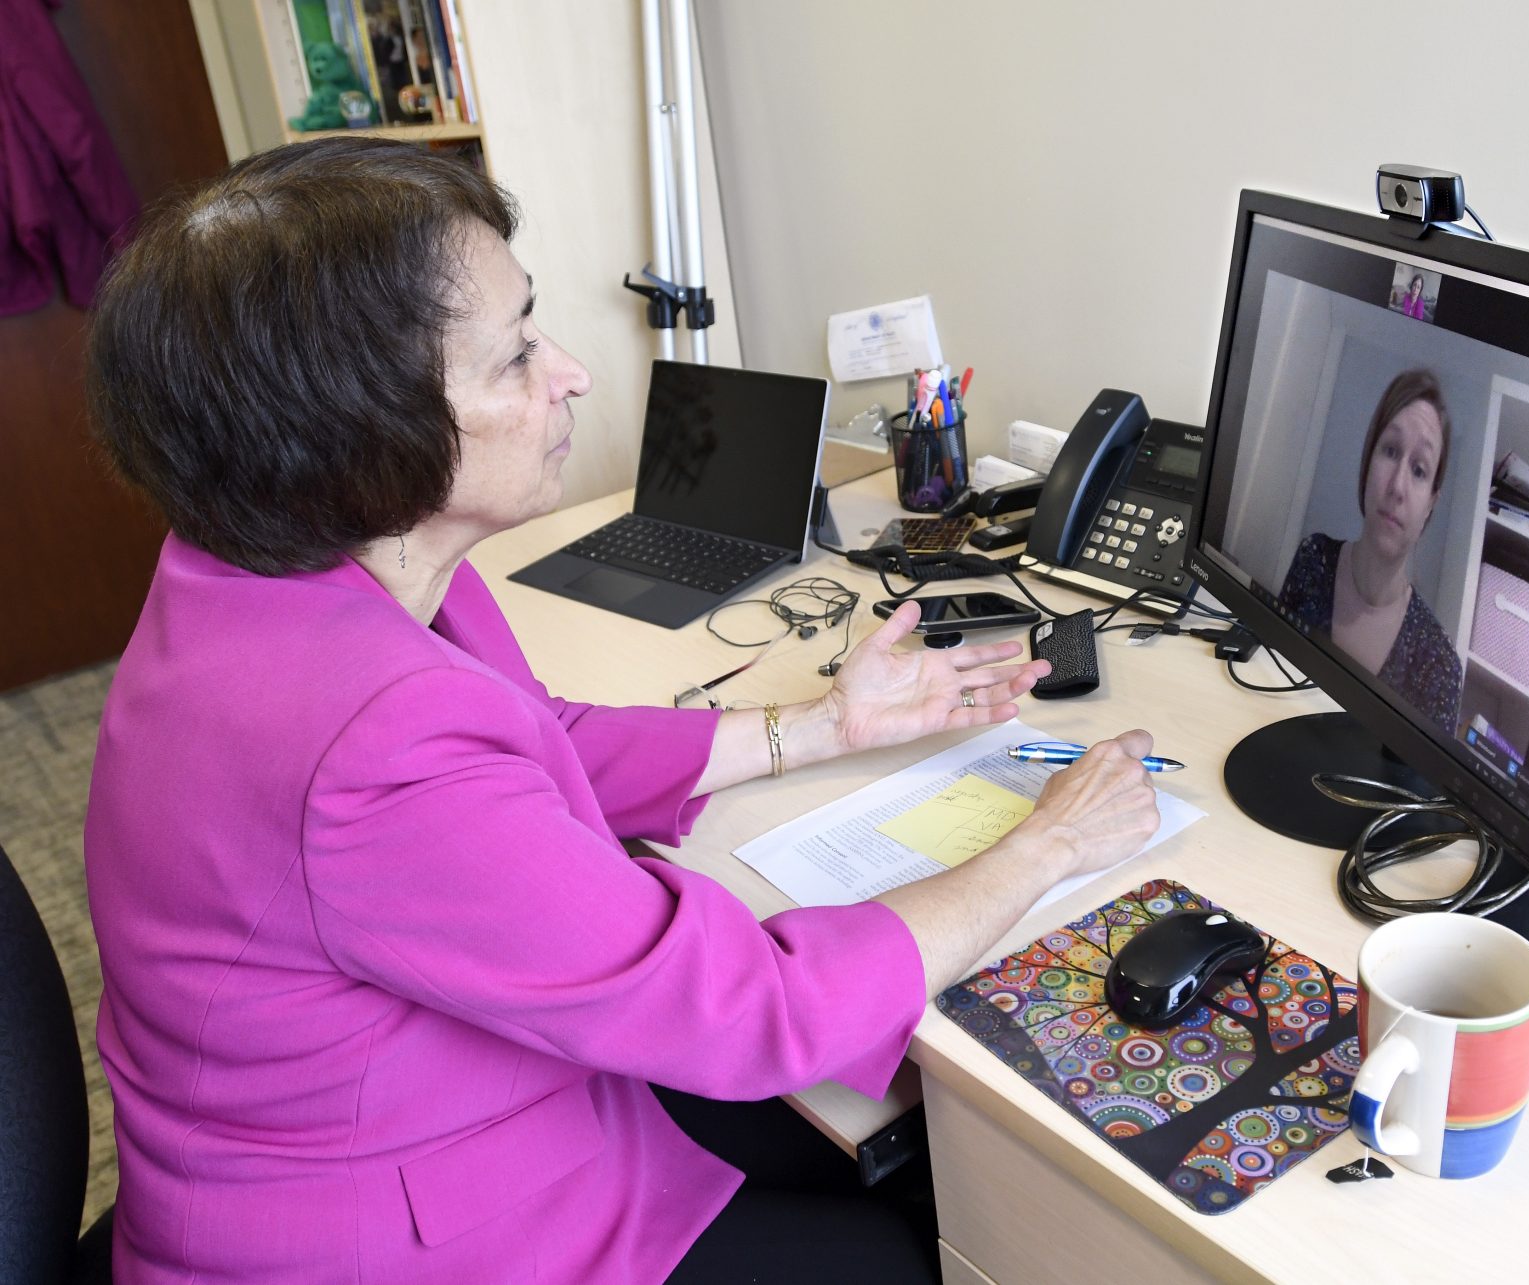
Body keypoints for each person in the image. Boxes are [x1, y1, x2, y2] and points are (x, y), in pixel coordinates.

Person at [82, 138, 1162, 1284]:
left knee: (873, 1145)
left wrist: (823, 727)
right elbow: (753, 1011)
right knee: (915, 1236)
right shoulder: (370, 740)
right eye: (514, 359)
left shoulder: (279, 561)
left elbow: (539, 747)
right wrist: (1047, 844)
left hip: (380, 1126)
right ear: (365, 438)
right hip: (393, 1238)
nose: (573, 373)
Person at [1277, 368, 1463, 730]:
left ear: (1430, 505)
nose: (1397, 486)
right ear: (1368, 460)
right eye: (1390, 451)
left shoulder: (1439, 666)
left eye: (1420, 470)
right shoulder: (1312, 559)